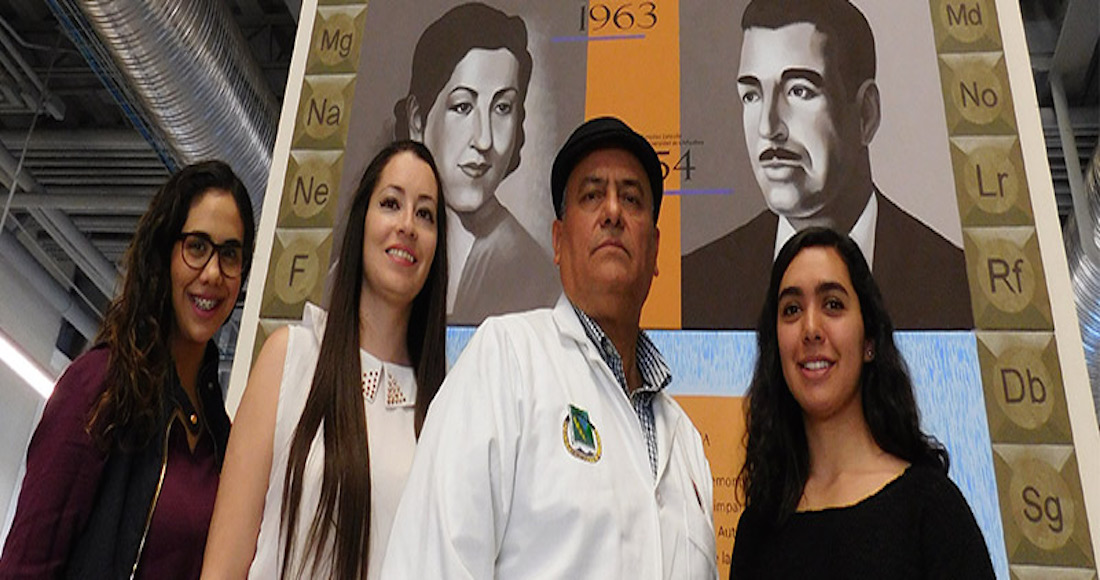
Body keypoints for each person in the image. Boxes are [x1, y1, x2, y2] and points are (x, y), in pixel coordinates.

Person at [381, 117, 717, 579]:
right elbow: (430, 564)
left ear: (656, 250)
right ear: (558, 242)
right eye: (592, 195)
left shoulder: (688, 447)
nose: (613, 211)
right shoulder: (505, 361)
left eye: (632, 198)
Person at [200, 141, 448, 580]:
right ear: (362, 221)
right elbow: (222, 567)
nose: (407, 225)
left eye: (425, 214)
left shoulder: (442, 413)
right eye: (391, 204)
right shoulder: (290, 358)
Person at [0, 161, 255, 579]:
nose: (213, 273)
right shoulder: (99, 386)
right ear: (164, 253)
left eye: (230, 254)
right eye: (196, 246)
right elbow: (26, 565)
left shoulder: (220, 439)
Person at [681, 0, 972, 331]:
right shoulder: (697, 286)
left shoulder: (956, 287)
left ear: (866, 114)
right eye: (752, 95)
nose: (768, 127)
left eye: (799, 91)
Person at [729, 227, 994, 579]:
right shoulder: (757, 529)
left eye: (833, 304)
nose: (811, 329)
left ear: (869, 340)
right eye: (792, 309)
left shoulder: (931, 509)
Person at [394, 1, 559, 325]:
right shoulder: (375, 250)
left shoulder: (528, 274)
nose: (484, 140)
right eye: (463, 107)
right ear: (417, 119)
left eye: (502, 108)